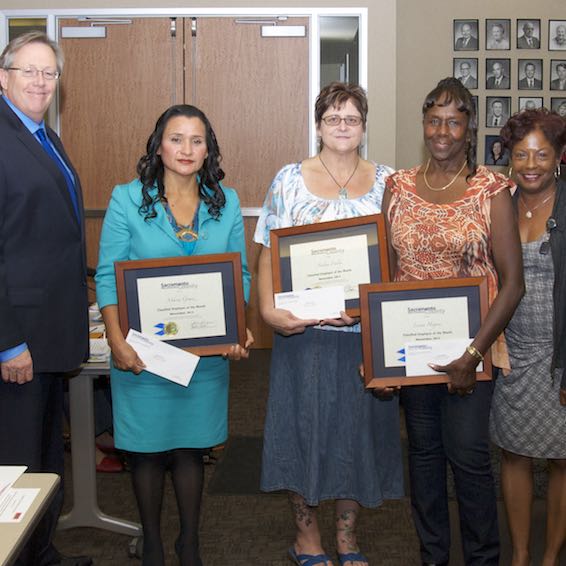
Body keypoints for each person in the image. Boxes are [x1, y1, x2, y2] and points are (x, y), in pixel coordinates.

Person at [95, 104, 253, 566]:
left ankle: (190, 544)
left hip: (203, 358)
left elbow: (239, 275)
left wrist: (233, 325)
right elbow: (108, 276)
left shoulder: (225, 204)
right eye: (177, 138)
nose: (186, 149)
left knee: (190, 449)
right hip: (143, 354)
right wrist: (116, 339)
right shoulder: (127, 199)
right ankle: (154, 546)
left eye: (197, 140)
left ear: (209, 149)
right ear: (158, 145)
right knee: (145, 453)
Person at [255, 82, 403, 566]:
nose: (342, 126)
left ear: (364, 126)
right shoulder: (288, 180)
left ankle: (346, 537)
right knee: (301, 433)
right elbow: (267, 256)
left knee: (357, 438)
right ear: (318, 125)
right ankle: (307, 539)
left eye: (352, 118)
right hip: (305, 336)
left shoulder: (389, 181)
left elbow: (398, 259)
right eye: (333, 117)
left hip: (365, 339)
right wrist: (268, 312)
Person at [382, 77, 524, 565]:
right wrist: (378, 360)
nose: (442, 130)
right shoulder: (397, 186)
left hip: (473, 352)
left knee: (468, 461)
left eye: (454, 121)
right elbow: (384, 275)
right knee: (422, 460)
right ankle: (433, 557)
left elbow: (513, 283)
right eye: (434, 120)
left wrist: (472, 355)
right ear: (423, 125)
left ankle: (483, 559)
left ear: (469, 129)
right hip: (411, 353)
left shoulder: (491, 189)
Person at [0, 32, 92, 566]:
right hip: (19, 339)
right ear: (4, 76)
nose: (40, 82)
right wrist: (8, 342)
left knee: (44, 456)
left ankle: (41, 553)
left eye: (49, 73)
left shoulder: (43, 136)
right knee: (15, 462)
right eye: (28, 71)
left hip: (51, 333)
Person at [490, 108, 566, 566]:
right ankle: (520, 554)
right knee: (514, 453)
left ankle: (551, 554)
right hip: (510, 352)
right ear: (510, 158)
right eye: (522, 154)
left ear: (559, 156)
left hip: (560, 353)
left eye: (541, 154)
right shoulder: (501, 202)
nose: (531, 164)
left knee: (562, 459)